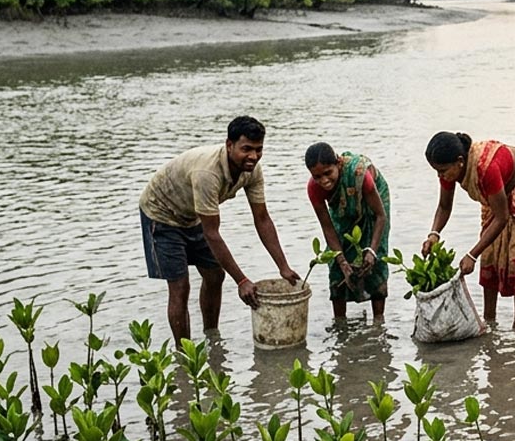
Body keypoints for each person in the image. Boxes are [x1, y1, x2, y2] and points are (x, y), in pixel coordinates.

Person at [139, 116, 300, 344]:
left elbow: (262, 219)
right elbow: (212, 233)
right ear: (229, 145)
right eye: (246, 149)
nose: (253, 156)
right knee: (180, 286)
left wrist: (283, 267)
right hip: (161, 213)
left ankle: (212, 338)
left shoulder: (252, 170)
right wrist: (242, 280)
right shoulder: (208, 173)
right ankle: (185, 354)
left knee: (215, 275)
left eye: (258, 149)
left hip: (192, 214)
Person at [425, 132, 515, 329]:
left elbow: (502, 218)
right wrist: (434, 234)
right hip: (496, 191)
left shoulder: (485, 169)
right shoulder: (449, 169)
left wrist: (472, 255)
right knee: (490, 254)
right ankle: (489, 321)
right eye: (436, 171)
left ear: (459, 162)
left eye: (442, 171)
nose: (440, 176)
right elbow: (444, 207)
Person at [305, 143, 391, 323]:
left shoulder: (359, 175)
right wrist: (342, 261)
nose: (324, 180)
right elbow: (328, 227)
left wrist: (372, 251)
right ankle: (340, 323)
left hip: (375, 205)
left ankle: (378, 322)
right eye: (317, 176)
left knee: (375, 261)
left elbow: (380, 216)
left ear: (338, 163)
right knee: (336, 262)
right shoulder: (314, 189)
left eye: (328, 173)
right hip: (343, 208)